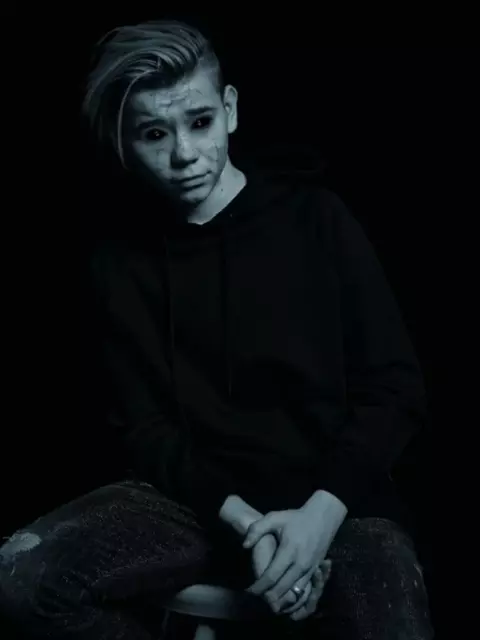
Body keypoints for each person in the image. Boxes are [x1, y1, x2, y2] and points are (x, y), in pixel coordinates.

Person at [0, 19, 434, 639]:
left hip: (339, 501)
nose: (183, 154)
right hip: (195, 504)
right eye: (155, 134)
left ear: (229, 111)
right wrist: (246, 524)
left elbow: (394, 387)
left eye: (199, 122)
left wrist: (318, 519)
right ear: (124, 144)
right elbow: (146, 428)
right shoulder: (118, 263)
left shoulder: (316, 218)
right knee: (20, 579)